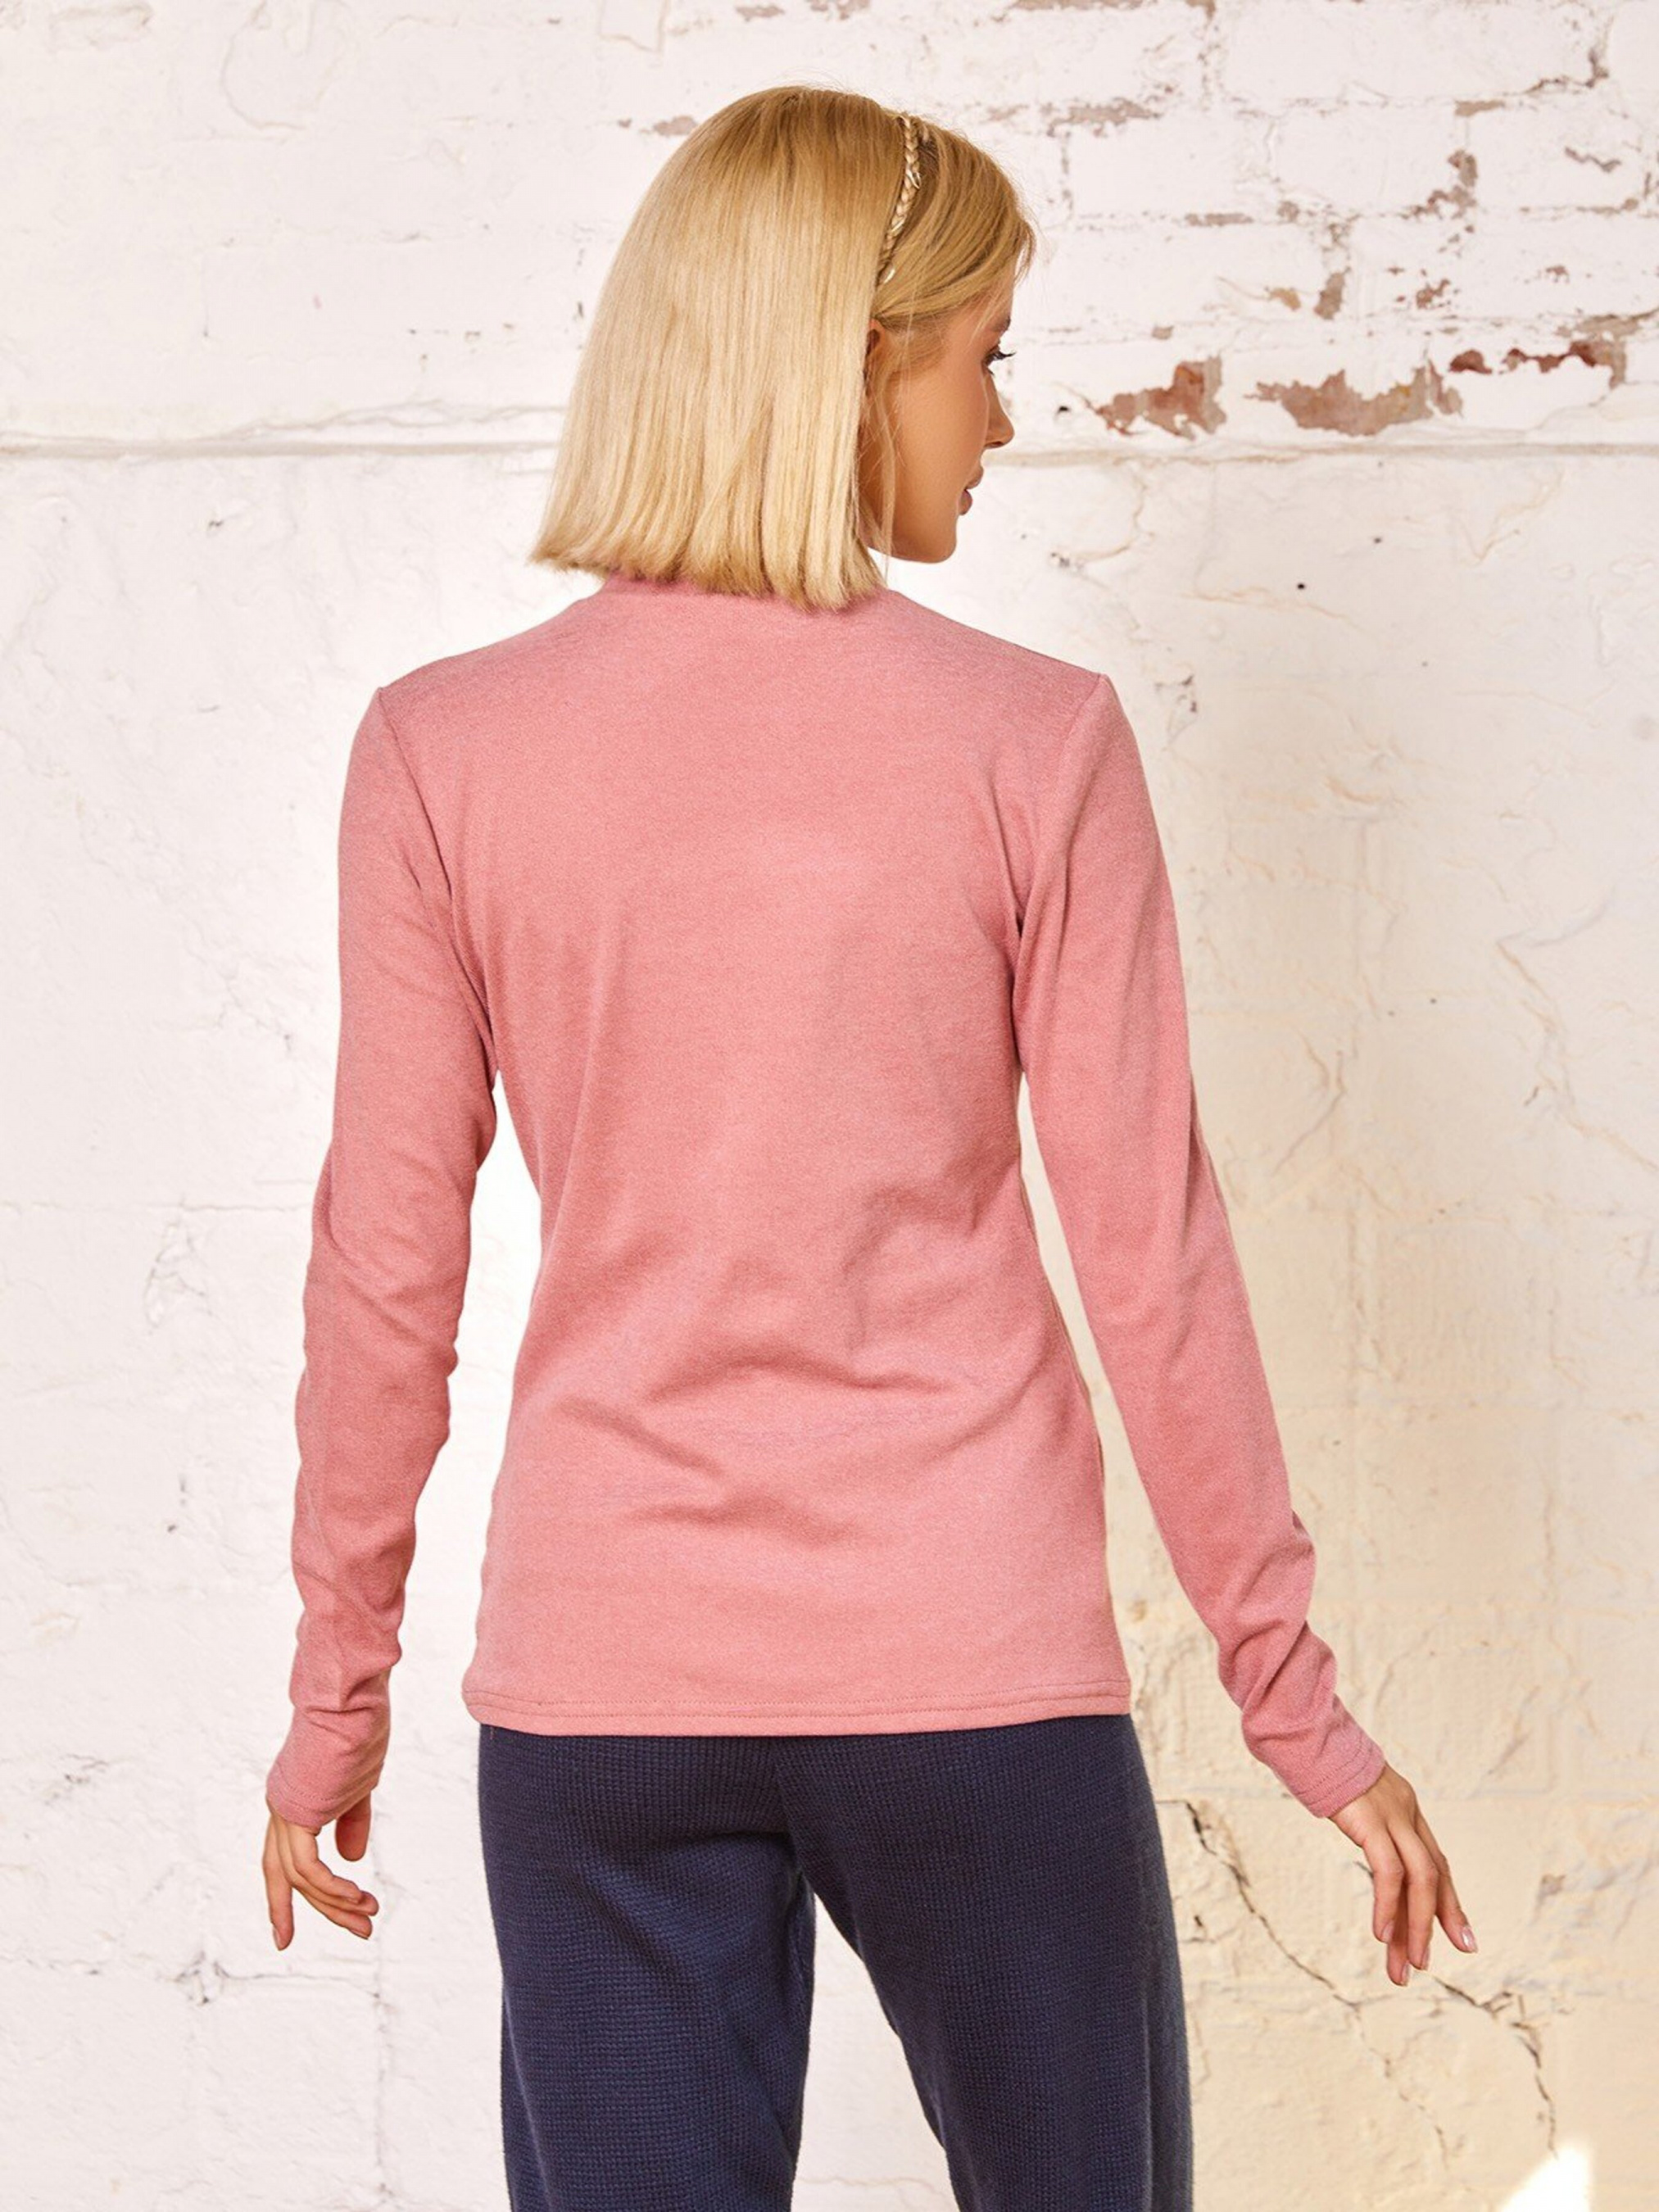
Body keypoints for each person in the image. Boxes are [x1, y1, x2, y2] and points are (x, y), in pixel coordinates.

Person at [260, 84, 1475, 2210]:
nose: (999, 420)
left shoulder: (442, 753)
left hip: (606, 1692)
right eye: (982, 356)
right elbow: (1151, 1257)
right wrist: (1295, 1707)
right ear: (857, 362)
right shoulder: (1033, 744)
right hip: (970, 1677)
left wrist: (332, 1691)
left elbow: (387, 1262)